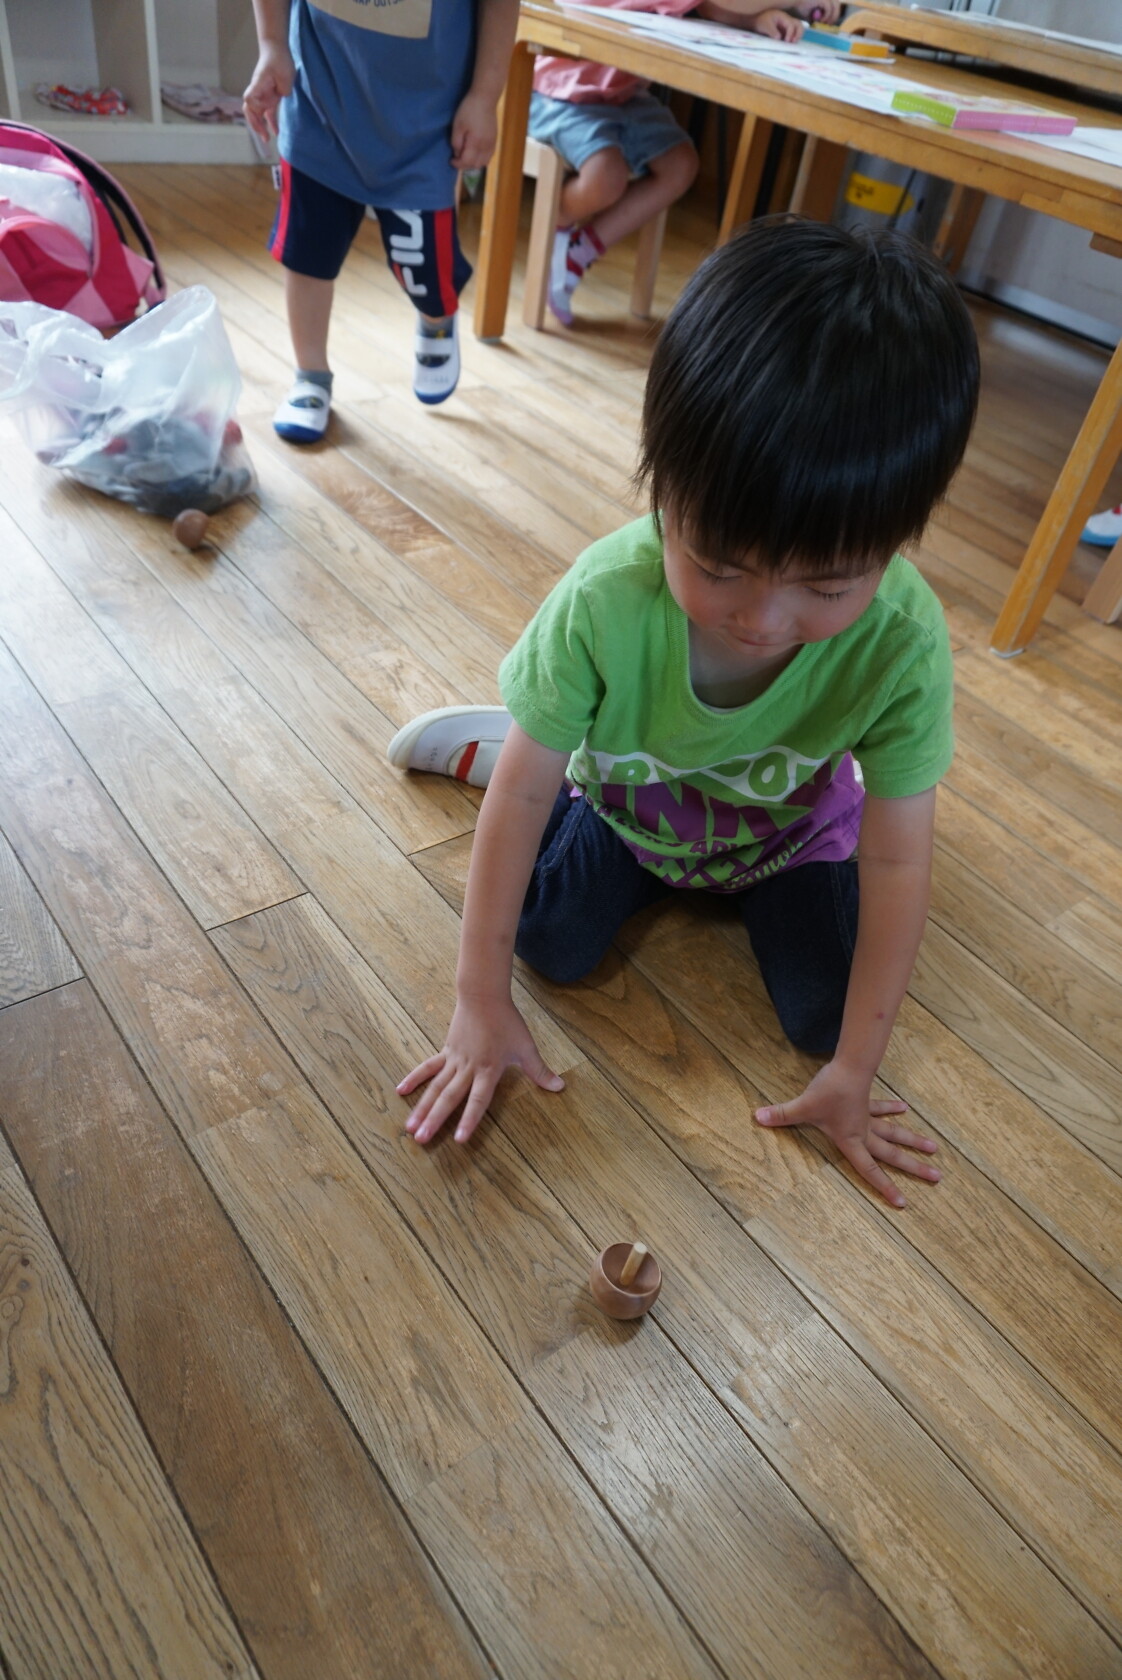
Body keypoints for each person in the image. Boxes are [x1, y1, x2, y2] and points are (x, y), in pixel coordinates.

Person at [389, 216, 980, 1210]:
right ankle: (527, 737)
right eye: (719, 566)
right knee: (549, 943)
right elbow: (517, 821)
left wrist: (855, 1072)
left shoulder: (904, 642)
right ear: (664, 493)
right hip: (633, 810)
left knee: (829, 1017)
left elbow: (897, 859)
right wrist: (475, 1001)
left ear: (896, 544)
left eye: (828, 587)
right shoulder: (605, 597)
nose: (764, 620)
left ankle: (548, 735)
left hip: (789, 837)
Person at [243, 0, 518, 441]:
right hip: (319, 103)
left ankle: (435, 318)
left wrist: (485, 97)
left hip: (426, 123)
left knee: (424, 269)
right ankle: (311, 375)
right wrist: (272, 44)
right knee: (307, 255)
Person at [529, 0, 840, 325]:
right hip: (559, 89)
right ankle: (558, 218)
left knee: (680, 165)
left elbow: (709, 6)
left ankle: (579, 252)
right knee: (606, 176)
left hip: (620, 95)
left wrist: (755, 20)